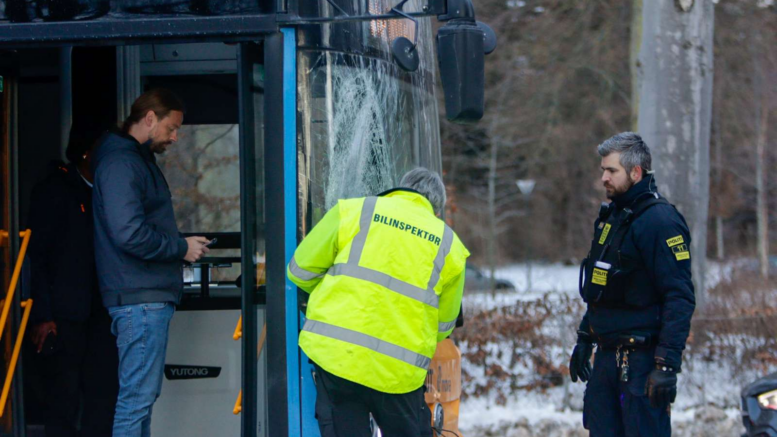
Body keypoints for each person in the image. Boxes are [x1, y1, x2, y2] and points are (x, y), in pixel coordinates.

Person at [287, 167, 470, 437]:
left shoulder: (353, 210)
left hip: (339, 359)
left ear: (401, 187)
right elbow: (443, 326)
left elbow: (299, 271)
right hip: (399, 375)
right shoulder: (450, 245)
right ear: (436, 210)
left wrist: (333, 294)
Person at [92, 89, 210, 437]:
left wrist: (180, 245)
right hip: (139, 298)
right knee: (136, 401)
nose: (174, 137)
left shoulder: (131, 159)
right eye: (171, 128)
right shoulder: (122, 163)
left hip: (141, 295)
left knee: (140, 399)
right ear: (149, 118)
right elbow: (128, 234)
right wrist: (180, 248)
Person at [569, 132, 696, 437]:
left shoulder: (659, 221)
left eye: (611, 170)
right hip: (606, 362)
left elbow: (679, 297)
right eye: (603, 170)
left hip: (640, 365)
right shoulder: (614, 218)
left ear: (636, 172)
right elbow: (602, 288)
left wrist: (666, 365)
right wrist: (585, 337)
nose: (604, 177)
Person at [26, 122, 118, 437]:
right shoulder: (55, 190)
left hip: (103, 312)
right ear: (87, 153)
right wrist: (43, 316)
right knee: (63, 397)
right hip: (64, 315)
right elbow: (35, 257)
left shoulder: (109, 191)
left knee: (102, 394)